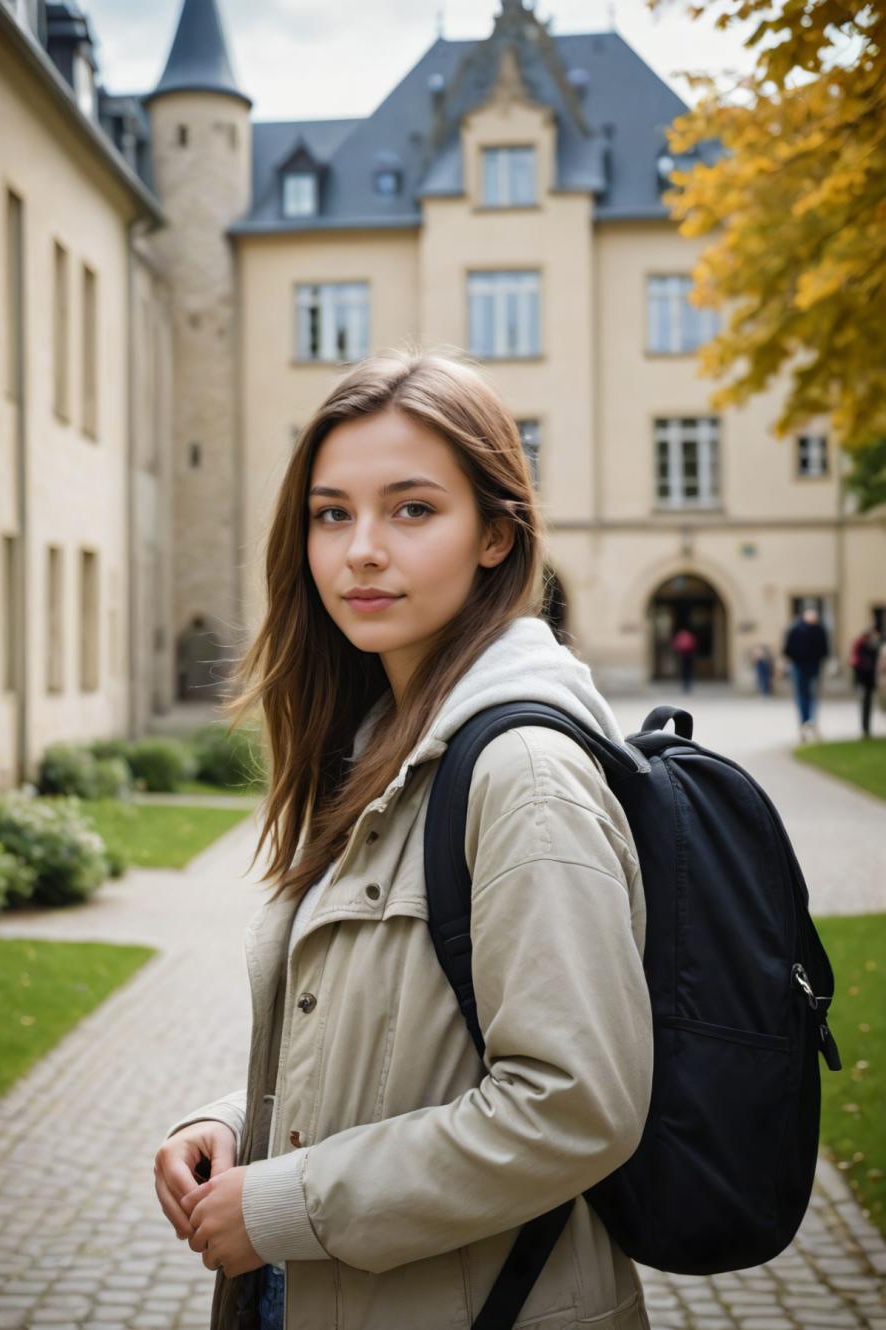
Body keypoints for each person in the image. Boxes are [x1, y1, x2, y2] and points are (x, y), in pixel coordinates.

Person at [152, 348, 653, 1330]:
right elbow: (391, 1042)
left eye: (412, 509)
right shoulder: (378, 747)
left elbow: (575, 1104)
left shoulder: (522, 773)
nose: (361, 549)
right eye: (331, 512)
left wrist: (281, 1203)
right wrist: (233, 1126)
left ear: (497, 537)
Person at [782, 606, 829, 743]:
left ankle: (811, 721)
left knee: (811, 695)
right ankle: (805, 722)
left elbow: (824, 649)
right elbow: (788, 649)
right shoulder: (797, 629)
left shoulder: (818, 629)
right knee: (803, 695)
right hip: (800, 666)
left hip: (812, 666)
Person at [849, 623, 884, 738]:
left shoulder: (863, 644)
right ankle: (866, 729)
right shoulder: (868, 646)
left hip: (866, 679)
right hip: (867, 679)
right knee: (867, 704)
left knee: (867, 704)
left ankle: (866, 729)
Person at [670, 624, 697, 693]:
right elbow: (694, 644)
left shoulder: (680, 636)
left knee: (684, 670)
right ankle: (688, 685)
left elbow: (675, 645)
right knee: (689, 670)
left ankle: (685, 685)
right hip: (690, 654)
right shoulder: (689, 635)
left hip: (682, 655)